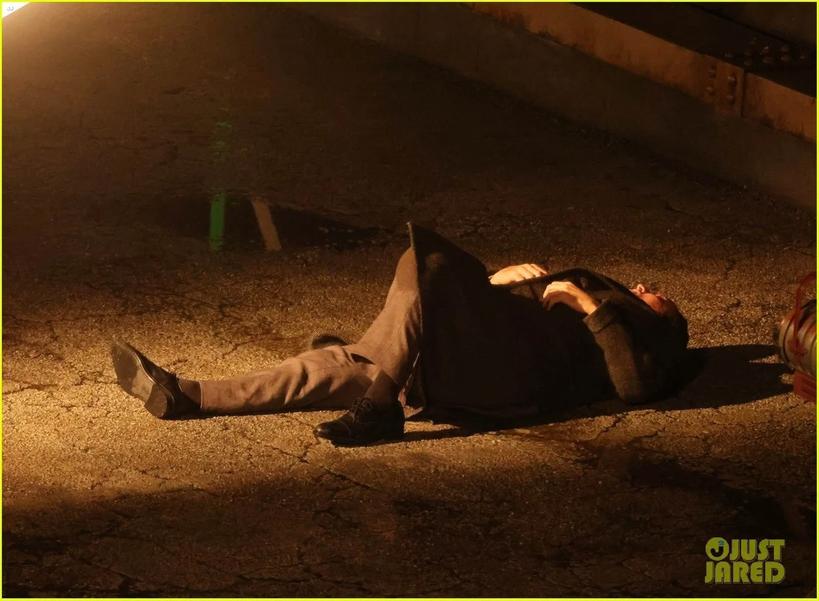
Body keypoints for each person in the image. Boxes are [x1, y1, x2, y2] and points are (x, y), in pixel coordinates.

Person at [112, 223, 688, 446]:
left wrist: (585, 301)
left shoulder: (646, 336)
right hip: (467, 353)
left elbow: (635, 386)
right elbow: (497, 315)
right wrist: (499, 280)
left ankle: (382, 400)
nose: (645, 286)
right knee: (319, 370)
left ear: (665, 322)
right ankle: (187, 395)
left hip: (505, 377)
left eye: (657, 294)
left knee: (426, 260)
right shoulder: (614, 305)